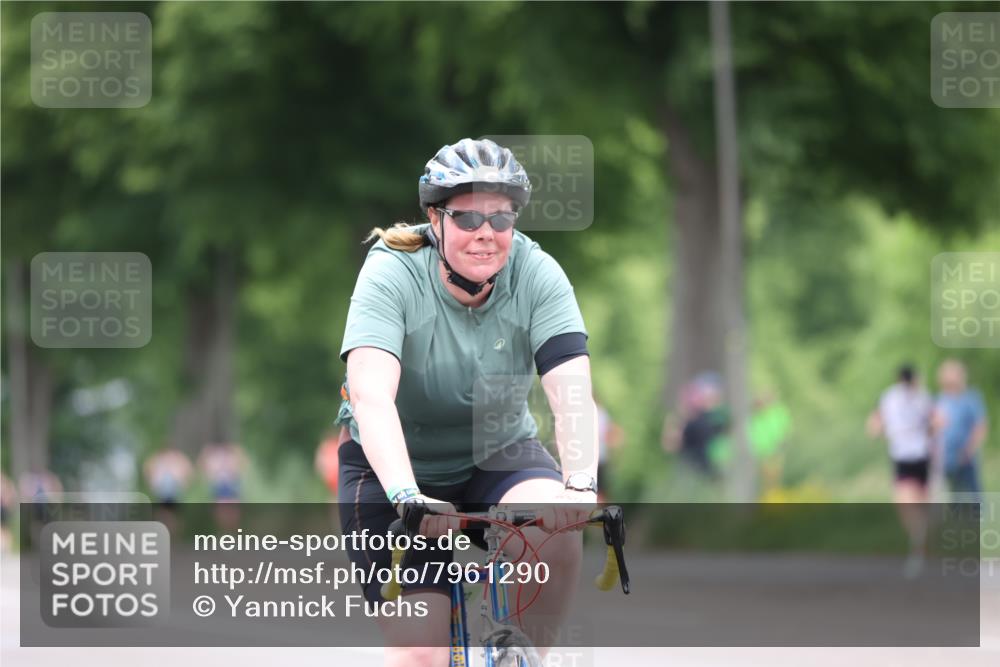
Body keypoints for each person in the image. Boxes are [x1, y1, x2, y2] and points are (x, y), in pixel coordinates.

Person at [335, 138, 599, 667]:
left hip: (497, 452)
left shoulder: (537, 273)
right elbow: (371, 393)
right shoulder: (392, 270)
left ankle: (521, 657)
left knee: (557, 531)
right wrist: (409, 495)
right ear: (435, 218)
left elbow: (572, 391)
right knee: (421, 652)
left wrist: (581, 485)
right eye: (467, 218)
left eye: (501, 220)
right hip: (392, 469)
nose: (485, 234)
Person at [867, 364, 935, 577]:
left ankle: (919, 545)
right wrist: (876, 428)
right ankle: (918, 542)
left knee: (920, 504)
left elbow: (936, 420)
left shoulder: (923, 397)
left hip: (922, 456)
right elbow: (877, 419)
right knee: (905, 503)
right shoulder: (891, 397)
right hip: (902, 457)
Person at [935, 359, 987, 502]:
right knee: (952, 492)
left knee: (972, 489)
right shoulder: (939, 399)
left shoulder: (971, 398)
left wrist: (969, 449)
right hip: (945, 455)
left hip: (965, 454)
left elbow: (980, 426)